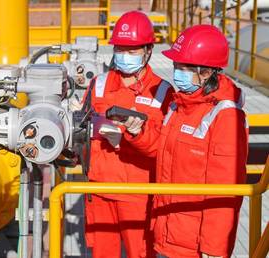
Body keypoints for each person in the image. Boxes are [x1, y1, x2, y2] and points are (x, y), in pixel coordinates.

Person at [120, 25, 248, 258]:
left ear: (207, 72)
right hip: (167, 232)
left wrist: (214, 248)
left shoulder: (225, 115)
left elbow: (225, 190)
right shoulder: (180, 104)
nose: (177, 73)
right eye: (176, 66)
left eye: (184, 67)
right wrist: (138, 132)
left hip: (195, 245)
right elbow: (161, 148)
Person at [82, 11, 173, 258]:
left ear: (148, 51)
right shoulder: (98, 85)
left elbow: (163, 147)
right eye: (120, 49)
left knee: (141, 254)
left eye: (132, 51)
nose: (125, 56)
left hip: (139, 194)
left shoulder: (162, 92)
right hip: (100, 190)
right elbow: (81, 129)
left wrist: (132, 134)